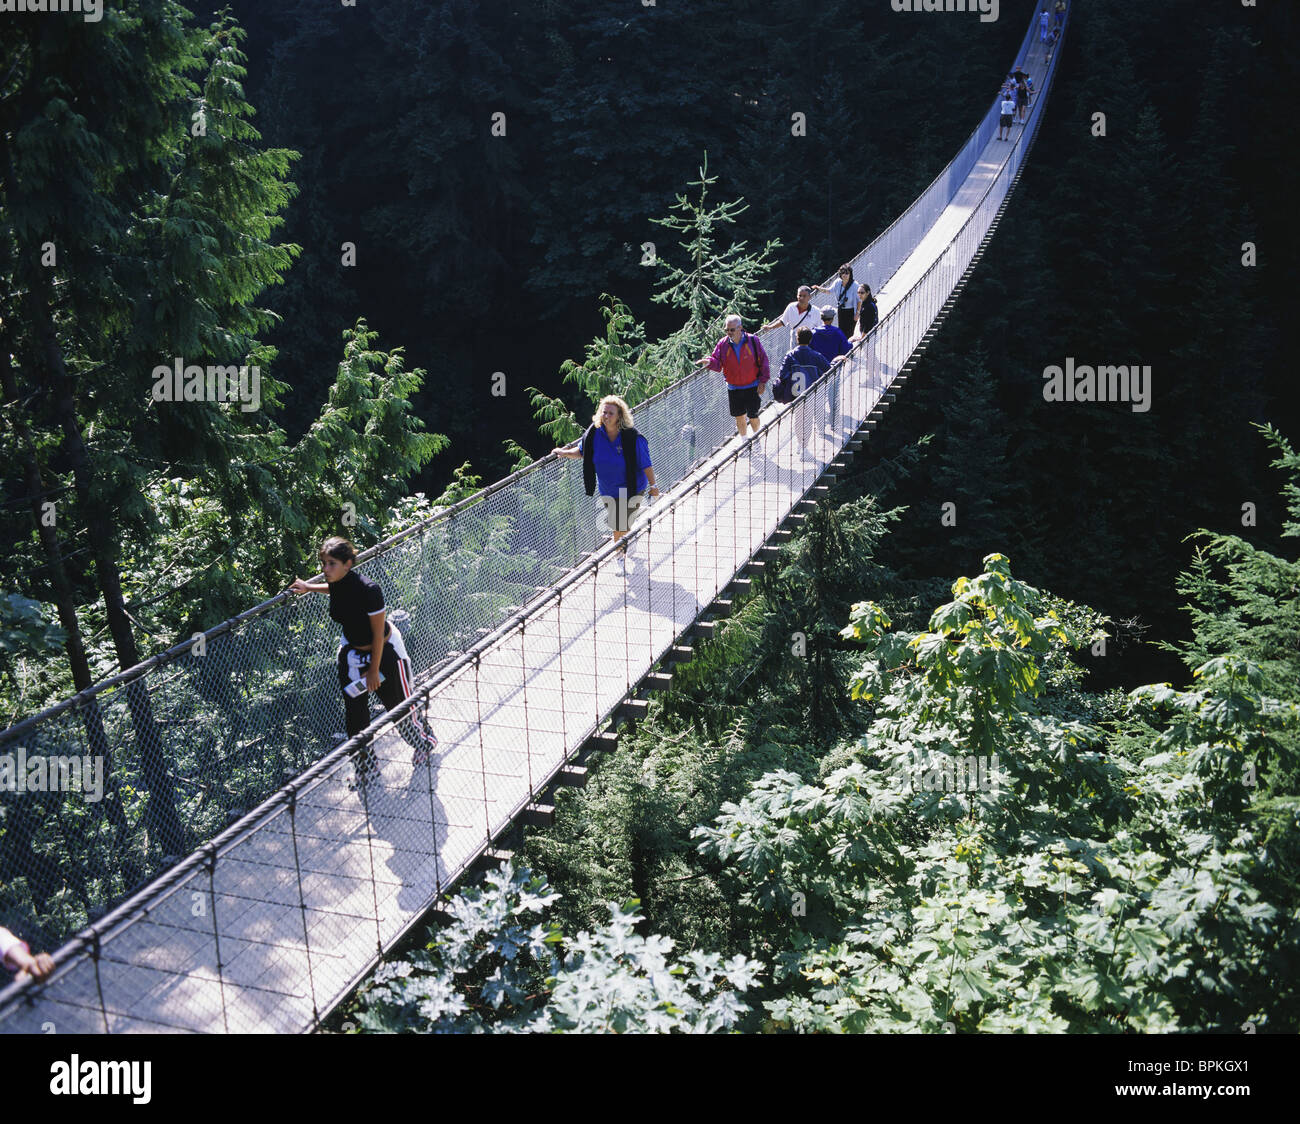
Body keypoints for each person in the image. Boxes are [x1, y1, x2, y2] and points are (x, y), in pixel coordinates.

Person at [289, 537, 439, 786]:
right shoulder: (337, 582)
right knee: (355, 715)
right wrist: (309, 587)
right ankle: (366, 765)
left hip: (385, 653)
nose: (325, 570)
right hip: (353, 655)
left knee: (399, 707)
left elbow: (379, 635)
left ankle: (425, 742)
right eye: (324, 563)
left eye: (331, 564)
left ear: (348, 564)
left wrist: (373, 670)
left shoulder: (370, 590)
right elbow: (334, 589)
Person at [554, 395, 660, 576]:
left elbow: (646, 463)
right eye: (604, 412)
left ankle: (619, 558)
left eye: (611, 413)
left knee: (619, 524)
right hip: (608, 489)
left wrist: (654, 485)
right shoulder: (594, 434)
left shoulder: (632, 437)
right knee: (620, 524)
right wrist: (563, 452)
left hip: (633, 487)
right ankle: (628, 540)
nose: (607, 416)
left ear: (620, 416)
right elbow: (581, 451)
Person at [696, 314, 771, 438]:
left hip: (752, 385)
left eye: (732, 329)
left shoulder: (753, 340)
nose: (729, 333)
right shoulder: (723, 344)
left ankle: (757, 440)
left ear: (740, 328)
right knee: (739, 416)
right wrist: (709, 362)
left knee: (753, 416)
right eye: (726, 330)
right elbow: (717, 362)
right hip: (734, 387)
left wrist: (763, 381)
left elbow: (763, 361)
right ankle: (744, 441)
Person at [773, 327, 831, 455]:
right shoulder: (816, 356)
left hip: (796, 393)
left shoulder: (790, 355)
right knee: (808, 420)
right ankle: (804, 447)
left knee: (799, 419)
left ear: (796, 339)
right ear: (810, 340)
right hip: (811, 393)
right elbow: (829, 369)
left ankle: (801, 444)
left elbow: (782, 375)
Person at [810, 307, 851, 433]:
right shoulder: (837, 332)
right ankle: (834, 424)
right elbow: (846, 348)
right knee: (833, 396)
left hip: (817, 369)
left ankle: (820, 427)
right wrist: (851, 342)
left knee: (818, 397)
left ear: (821, 318)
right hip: (833, 368)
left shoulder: (813, 333)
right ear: (833, 318)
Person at [761, 285, 820, 354]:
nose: (801, 298)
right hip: (795, 339)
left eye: (804, 296)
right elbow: (783, 321)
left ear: (809, 297)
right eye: (799, 295)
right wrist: (770, 327)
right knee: (795, 359)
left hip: (810, 341)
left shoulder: (815, 311)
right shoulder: (791, 307)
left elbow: (820, 328)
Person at [810, 265, 859, 337]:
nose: (845, 275)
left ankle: (848, 347)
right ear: (840, 274)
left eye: (847, 273)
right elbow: (829, 291)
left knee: (850, 332)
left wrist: (857, 313)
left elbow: (859, 300)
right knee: (841, 331)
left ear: (850, 274)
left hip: (851, 311)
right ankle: (843, 347)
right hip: (841, 310)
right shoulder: (838, 282)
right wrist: (818, 288)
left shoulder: (855, 285)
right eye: (843, 273)